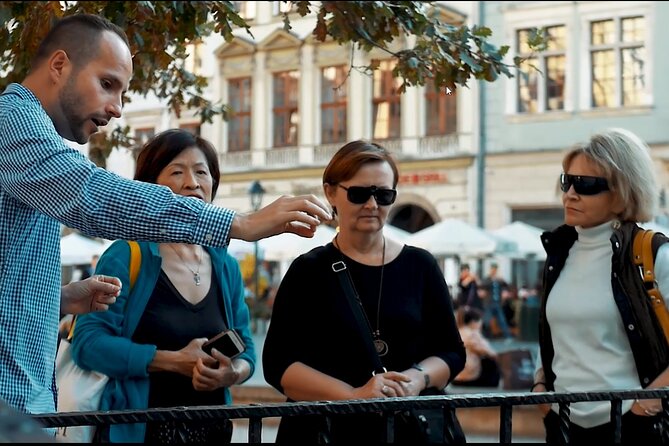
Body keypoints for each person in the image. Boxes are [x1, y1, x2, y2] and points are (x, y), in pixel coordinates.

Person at [0, 14, 330, 417]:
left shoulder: (28, 133)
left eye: (123, 92)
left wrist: (59, 297)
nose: (117, 108)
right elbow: (90, 195)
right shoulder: (11, 122)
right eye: (107, 84)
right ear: (59, 66)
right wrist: (236, 223)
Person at [262, 140, 466, 443]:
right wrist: (354, 395)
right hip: (327, 431)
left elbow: (451, 350)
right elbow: (278, 364)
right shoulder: (308, 270)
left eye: (384, 194)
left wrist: (416, 379)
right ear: (331, 192)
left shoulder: (420, 265)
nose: (372, 205)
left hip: (409, 429)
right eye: (359, 194)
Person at [70, 129, 256, 443]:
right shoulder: (126, 254)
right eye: (177, 171)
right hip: (140, 431)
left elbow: (247, 349)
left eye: (201, 172)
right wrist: (171, 361)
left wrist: (231, 373)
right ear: (149, 187)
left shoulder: (225, 264)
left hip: (212, 430)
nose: (192, 183)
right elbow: (87, 345)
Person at [531, 128, 669, 444]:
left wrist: (648, 402)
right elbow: (551, 334)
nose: (571, 194)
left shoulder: (653, 254)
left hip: (633, 425)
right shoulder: (559, 253)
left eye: (587, 185)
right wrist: (541, 391)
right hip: (563, 423)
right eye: (567, 181)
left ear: (623, 192)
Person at [452, 307, 500, 388]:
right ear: (473, 322)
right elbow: (492, 353)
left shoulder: (457, 333)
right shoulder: (472, 334)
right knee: (491, 361)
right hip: (469, 378)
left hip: (455, 379)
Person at [481, 262, 513, 339]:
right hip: (489, 303)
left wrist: (505, 291)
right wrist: (492, 279)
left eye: (495, 269)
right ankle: (484, 336)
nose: (494, 270)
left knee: (502, 320)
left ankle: (508, 336)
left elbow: (506, 285)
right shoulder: (488, 278)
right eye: (493, 269)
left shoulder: (499, 279)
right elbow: (483, 285)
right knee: (486, 320)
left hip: (497, 303)